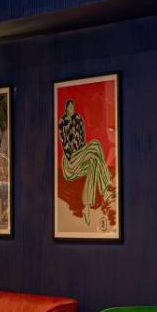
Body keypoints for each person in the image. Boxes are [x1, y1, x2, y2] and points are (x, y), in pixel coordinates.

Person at [57, 98, 114, 228]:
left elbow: (81, 143)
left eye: (72, 107)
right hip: (70, 164)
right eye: (69, 107)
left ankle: (87, 207)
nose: (71, 110)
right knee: (95, 146)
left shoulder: (79, 121)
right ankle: (105, 188)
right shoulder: (63, 123)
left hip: (79, 160)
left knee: (94, 160)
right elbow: (68, 148)